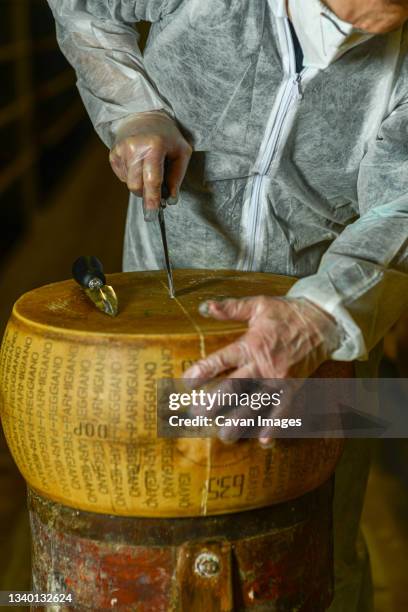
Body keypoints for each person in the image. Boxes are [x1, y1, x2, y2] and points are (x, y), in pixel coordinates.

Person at [47, 0, 408, 609]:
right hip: (164, 308)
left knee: (317, 548)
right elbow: (82, 8)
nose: (343, 41)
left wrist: (317, 318)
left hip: (323, 327)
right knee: (159, 530)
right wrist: (137, 110)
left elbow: (401, 209)